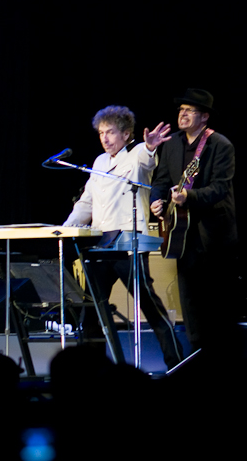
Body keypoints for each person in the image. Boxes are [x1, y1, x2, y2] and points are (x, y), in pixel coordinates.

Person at [63, 105, 183, 369]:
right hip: (102, 245)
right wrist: (65, 229)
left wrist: (151, 147)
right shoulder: (99, 162)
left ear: (127, 134)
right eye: (101, 133)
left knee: (149, 306)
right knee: (93, 310)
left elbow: (147, 161)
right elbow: (86, 204)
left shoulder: (137, 153)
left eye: (111, 132)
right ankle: (93, 369)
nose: (105, 138)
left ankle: (176, 362)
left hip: (129, 243)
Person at [150, 89, 238, 354]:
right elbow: (162, 180)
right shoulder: (173, 143)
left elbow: (220, 188)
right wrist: (158, 202)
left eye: (189, 110)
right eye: (181, 110)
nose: (183, 114)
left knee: (217, 300)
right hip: (182, 234)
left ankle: (222, 353)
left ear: (205, 117)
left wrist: (189, 195)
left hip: (214, 234)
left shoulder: (220, 145)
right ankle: (197, 352)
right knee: (189, 299)